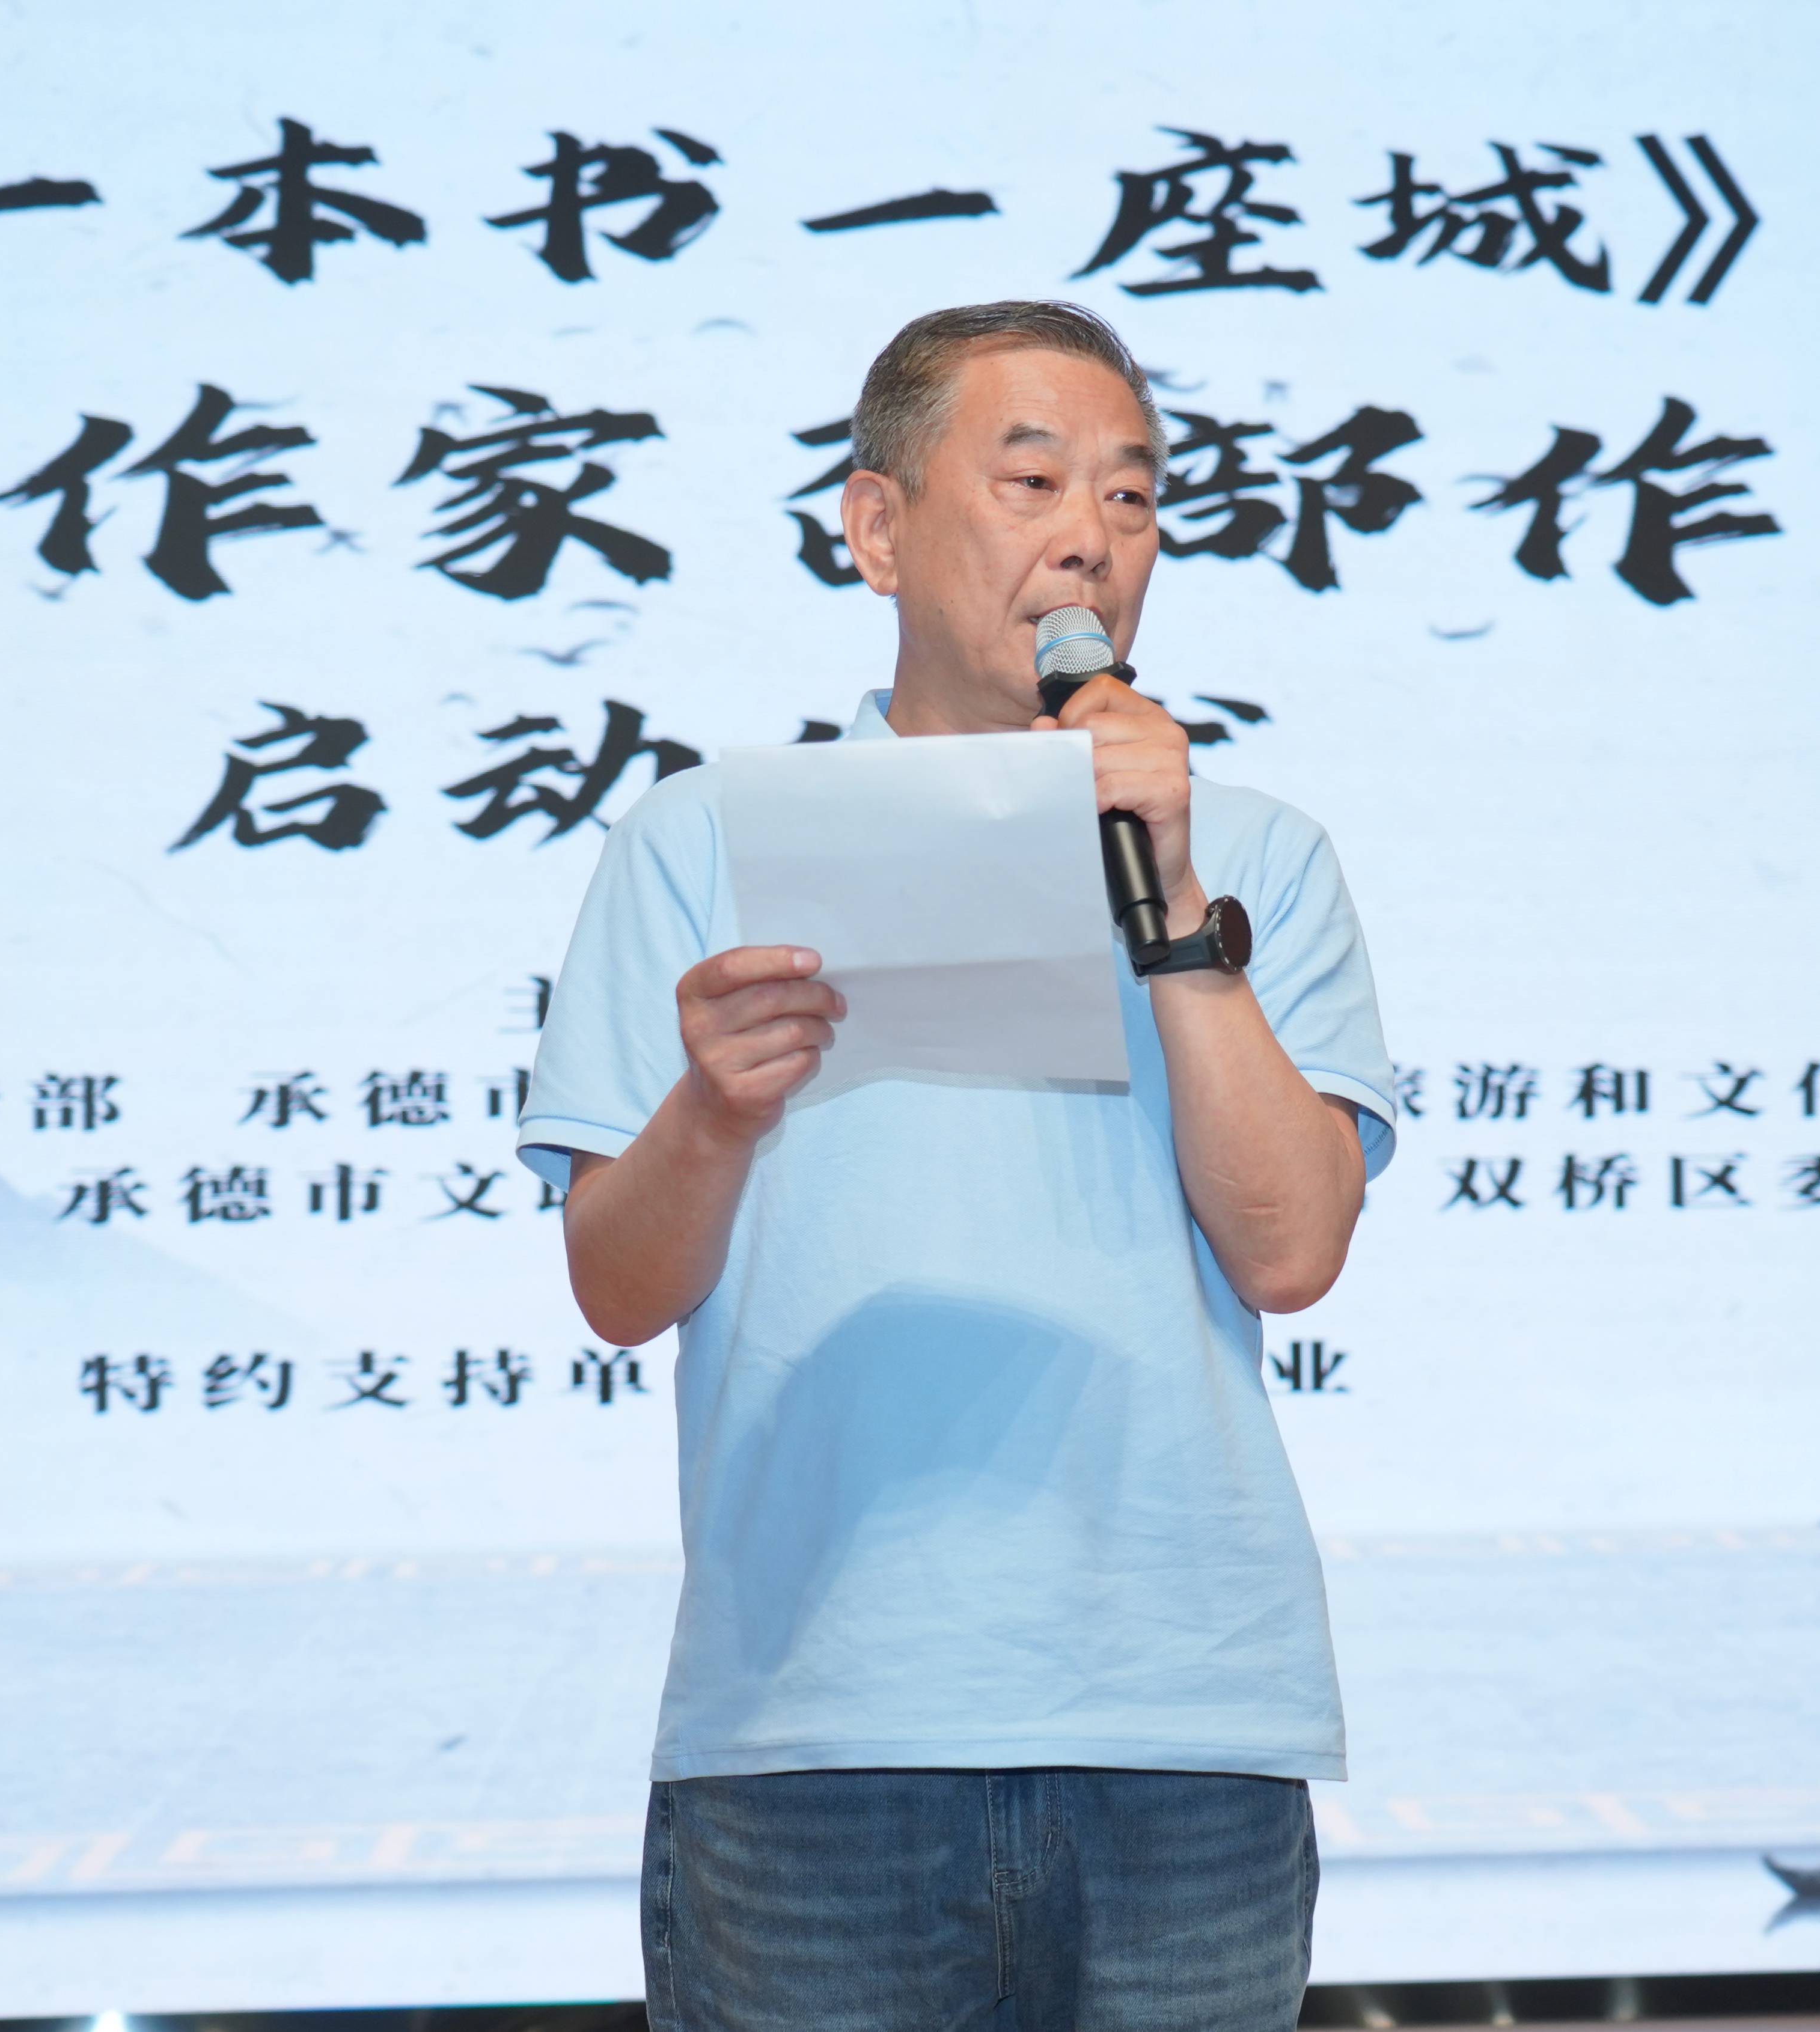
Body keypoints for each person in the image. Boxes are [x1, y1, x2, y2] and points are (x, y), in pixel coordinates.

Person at [516, 300, 1395, 2031]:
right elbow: (615, 1288)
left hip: (1183, 1729)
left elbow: (1292, 1252)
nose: (1091, 538)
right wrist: (712, 1113)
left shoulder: (1257, 856)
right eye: (1032, 481)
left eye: (1132, 496)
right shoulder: (706, 839)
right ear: (877, 528)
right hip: (816, 1728)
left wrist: (1173, 899)